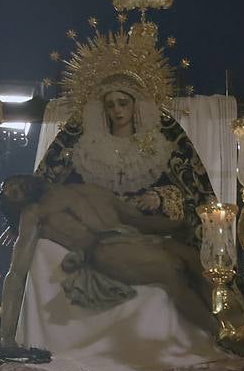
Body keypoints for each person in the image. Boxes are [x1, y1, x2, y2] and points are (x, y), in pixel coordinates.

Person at [0, 175, 220, 345]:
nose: (17, 188)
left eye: (14, 183)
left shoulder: (88, 190)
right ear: (18, 207)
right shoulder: (34, 214)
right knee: (171, 272)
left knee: (199, 262)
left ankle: (235, 327)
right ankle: (220, 334)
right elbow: (16, 274)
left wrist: (185, 224)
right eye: (13, 194)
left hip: (137, 239)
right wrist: (5, 338)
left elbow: (138, 221)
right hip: (106, 251)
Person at [34, 73, 215, 245]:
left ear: (135, 105)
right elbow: (62, 190)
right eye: (110, 105)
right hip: (96, 235)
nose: (117, 110)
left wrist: (159, 197)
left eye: (123, 103)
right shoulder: (88, 150)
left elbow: (188, 194)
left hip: (148, 234)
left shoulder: (156, 147)